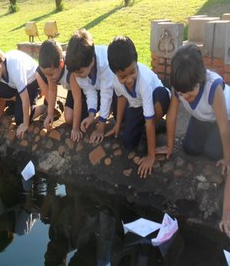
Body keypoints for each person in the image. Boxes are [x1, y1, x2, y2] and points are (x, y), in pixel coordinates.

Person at [156, 43, 230, 236]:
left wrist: (228, 157)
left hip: (224, 118)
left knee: (214, 152)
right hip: (203, 118)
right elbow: (171, 116)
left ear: (201, 79)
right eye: (182, 94)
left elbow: (223, 127)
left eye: (190, 94)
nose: (185, 98)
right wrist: (170, 146)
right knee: (190, 147)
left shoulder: (214, 88)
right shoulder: (179, 85)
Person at [107, 36, 171, 178]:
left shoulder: (144, 82)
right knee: (128, 142)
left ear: (136, 61)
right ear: (115, 72)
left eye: (132, 72)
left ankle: (156, 124)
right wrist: (117, 124)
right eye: (123, 76)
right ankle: (157, 125)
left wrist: (151, 156)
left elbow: (148, 121)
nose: (129, 79)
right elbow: (122, 96)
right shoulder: (115, 81)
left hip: (157, 98)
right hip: (138, 106)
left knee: (154, 111)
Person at [0, 45, 45, 138]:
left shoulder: (14, 68)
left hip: (32, 82)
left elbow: (25, 98)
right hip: (16, 87)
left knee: (20, 119)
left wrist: (25, 124)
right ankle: (17, 104)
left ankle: (45, 107)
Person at [65, 29, 114, 142]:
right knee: (84, 115)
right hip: (100, 89)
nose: (78, 76)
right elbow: (89, 91)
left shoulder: (106, 62)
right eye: (75, 74)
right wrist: (91, 115)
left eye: (80, 73)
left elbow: (106, 95)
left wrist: (101, 127)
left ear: (92, 61)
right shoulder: (80, 68)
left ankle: (110, 112)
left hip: (116, 90)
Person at [37, 39, 88, 130]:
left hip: (85, 90)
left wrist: (75, 128)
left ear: (61, 64)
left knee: (75, 119)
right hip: (72, 90)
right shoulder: (51, 70)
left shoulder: (71, 70)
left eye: (50, 74)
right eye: (45, 74)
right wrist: (50, 114)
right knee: (68, 118)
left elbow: (77, 99)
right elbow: (52, 90)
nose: (48, 77)